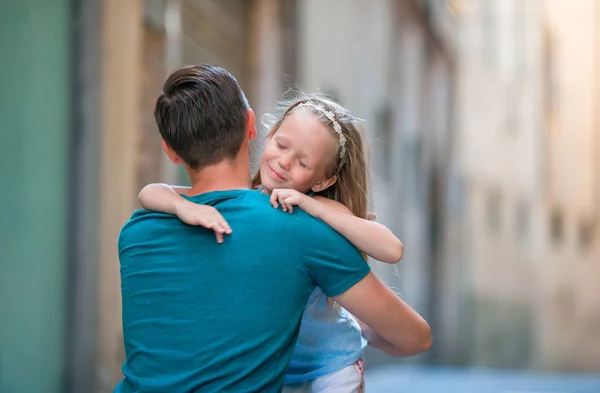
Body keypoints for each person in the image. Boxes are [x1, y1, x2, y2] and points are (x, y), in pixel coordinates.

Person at [116, 64, 431, 392]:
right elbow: (415, 338)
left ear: (170, 150)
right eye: (283, 147)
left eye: (303, 161)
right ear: (252, 125)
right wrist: (356, 326)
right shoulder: (300, 229)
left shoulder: (135, 235)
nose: (284, 162)